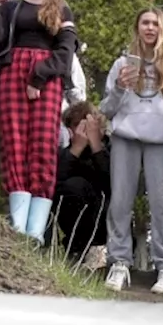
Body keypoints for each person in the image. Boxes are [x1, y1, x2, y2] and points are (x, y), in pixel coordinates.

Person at [0, 0, 78, 243]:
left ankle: (35, 231)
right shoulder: (12, 6)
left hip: (47, 80)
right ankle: (17, 227)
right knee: (14, 145)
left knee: (42, 148)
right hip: (12, 75)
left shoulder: (61, 9)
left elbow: (65, 54)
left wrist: (38, 77)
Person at [99, 8, 163, 295]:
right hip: (126, 138)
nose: (149, 28)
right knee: (120, 202)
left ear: (162, 29)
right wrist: (118, 87)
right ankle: (119, 263)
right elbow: (106, 110)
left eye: (155, 23)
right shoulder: (121, 64)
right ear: (137, 28)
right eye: (144, 23)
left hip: (161, 141)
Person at [53, 102, 111, 269]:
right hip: (77, 232)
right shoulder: (66, 154)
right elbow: (56, 187)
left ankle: (101, 249)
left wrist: (96, 146)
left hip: (106, 227)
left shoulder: (113, 148)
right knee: (73, 186)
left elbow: (113, 184)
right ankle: (78, 249)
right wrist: (77, 148)